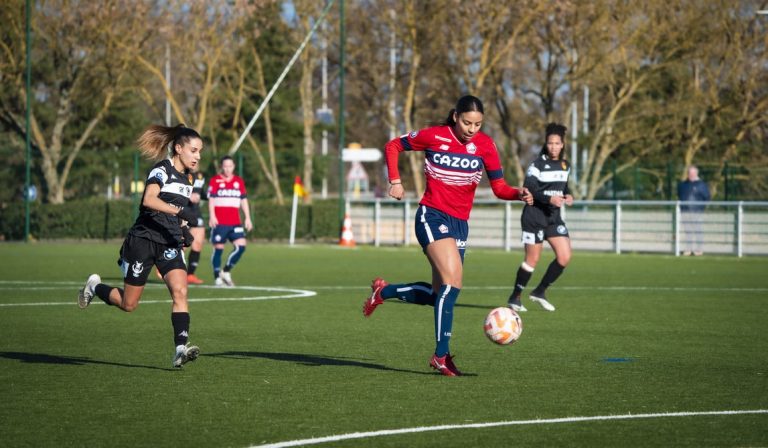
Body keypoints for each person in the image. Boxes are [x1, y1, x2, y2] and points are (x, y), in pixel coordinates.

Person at [362, 95, 533, 377]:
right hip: (431, 216)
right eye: (467, 122)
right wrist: (395, 181)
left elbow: (499, 187)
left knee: (439, 294)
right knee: (453, 285)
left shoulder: (486, 146)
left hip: (459, 225)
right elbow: (393, 145)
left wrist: (518, 193)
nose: (472, 129)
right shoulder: (434, 136)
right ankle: (441, 356)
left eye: (478, 124)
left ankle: (385, 291)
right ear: (455, 116)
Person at [77, 124, 203, 368]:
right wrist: (179, 211)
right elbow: (149, 200)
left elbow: (176, 210)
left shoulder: (189, 177)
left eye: (200, 152)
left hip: (168, 240)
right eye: (194, 150)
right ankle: (95, 287)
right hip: (143, 240)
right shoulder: (161, 169)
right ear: (178, 149)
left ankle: (180, 349)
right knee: (129, 304)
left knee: (181, 291)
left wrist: (183, 227)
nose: (198, 156)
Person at [506, 123, 574, 313]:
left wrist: (568, 195)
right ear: (546, 144)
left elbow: (563, 187)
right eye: (550, 143)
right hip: (534, 216)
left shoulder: (565, 165)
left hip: (553, 218)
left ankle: (540, 291)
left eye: (557, 143)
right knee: (532, 260)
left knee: (565, 256)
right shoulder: (537, 164)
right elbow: (529, 188)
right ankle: (515, 297)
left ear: (562, 145)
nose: (553, 146)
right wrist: (548, 198)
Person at [208, 155, 252, 287]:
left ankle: (226, 271)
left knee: (241, 246)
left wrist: (248, 218)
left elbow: (243, 200)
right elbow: (211, 200)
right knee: (219, 249)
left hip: (235, 222)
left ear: (234, 167)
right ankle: (217, 277)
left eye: (230, 166)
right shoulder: (215, 181)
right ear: (222, 167)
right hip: (220, 222)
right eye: (225, 166)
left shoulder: (239, 181)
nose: (227, 169)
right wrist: (212, 215)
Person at [677, 165, 710, 256]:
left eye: (692, 173)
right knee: (688, 231)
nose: (690, 175)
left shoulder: (702, 185)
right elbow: (680, 195)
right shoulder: (682, 185)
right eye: (689, 173)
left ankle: (699, 249)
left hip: (697, 211)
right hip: (685, 211)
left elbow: (707, 197)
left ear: (696, 174)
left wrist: (701, 208)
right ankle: (688, 249)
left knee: (698, 230)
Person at [185, 168, 207, 284]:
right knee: (182, 245)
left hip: (195, 211)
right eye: (193, 152)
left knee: (198, 243)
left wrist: (211, 195)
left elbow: (201, 192)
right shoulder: (181, 172)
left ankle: (190, 274)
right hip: (182, 210)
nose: (196, 157)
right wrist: (188, 196)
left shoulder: (200, 175)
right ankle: (162, 266)